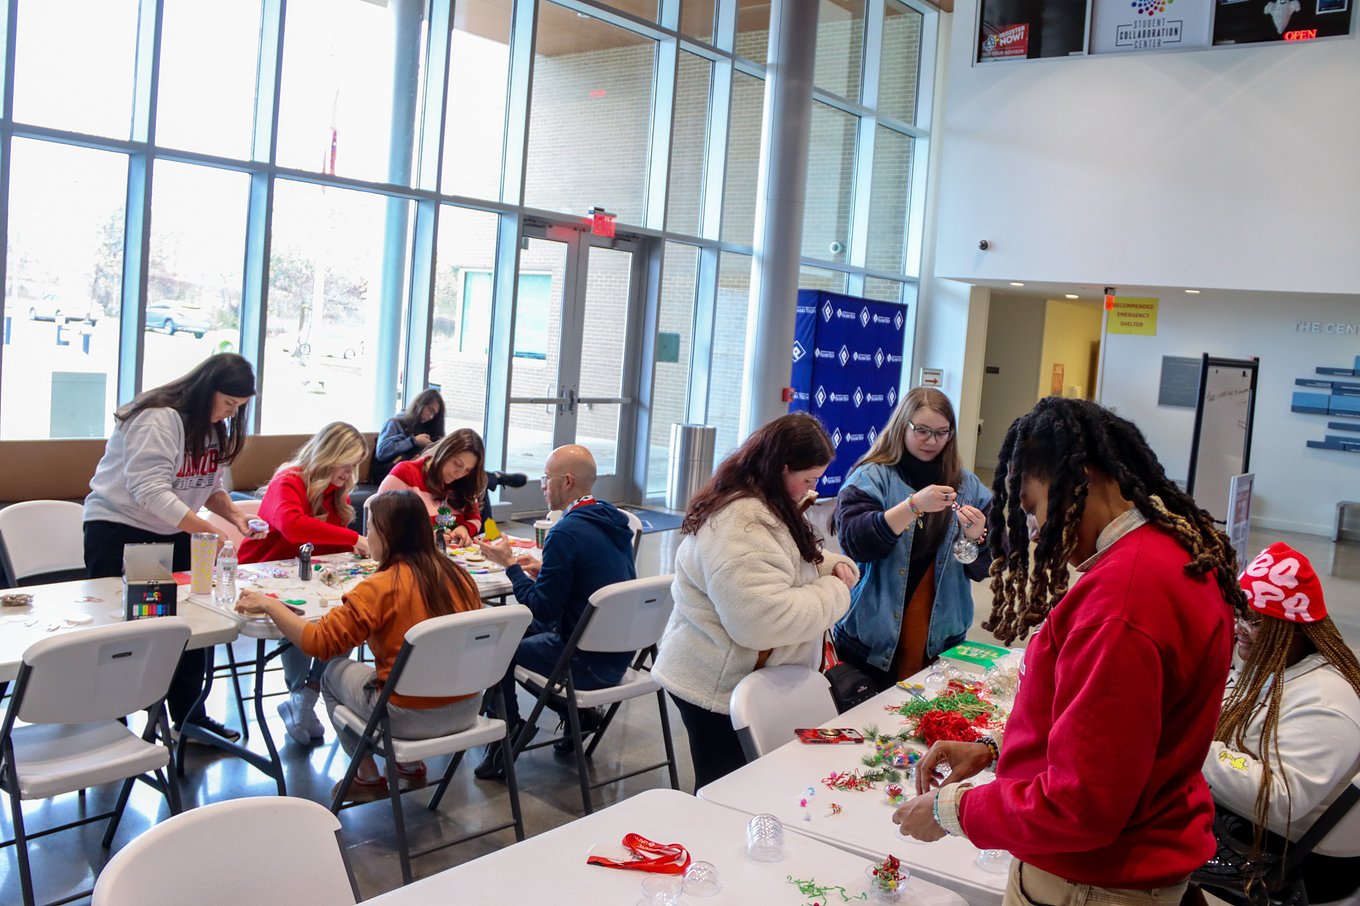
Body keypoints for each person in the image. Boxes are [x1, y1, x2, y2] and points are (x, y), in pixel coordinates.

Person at [895, 397, 1242, 906]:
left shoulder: (1122, 600)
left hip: (1094, 880)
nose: (1035, 530)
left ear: (1080, 478)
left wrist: (954, 810)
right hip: (1138, 856)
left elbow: (1083, 804)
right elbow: (1119, 736)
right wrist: (998, 750)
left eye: (1035, 506)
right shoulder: (1177, 554)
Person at [651, 412, 859, 789]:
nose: (812, 488)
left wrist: (831, 564)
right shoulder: (740, 522)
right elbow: (761, 622)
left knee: (745, 790)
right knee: (727, 795)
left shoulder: (764, 502)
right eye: (808, 479)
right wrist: (835, 591)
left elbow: (783, 561)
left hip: (735, 678)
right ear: (781, 469)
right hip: (717, 687)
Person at [235, 491, 483, 802]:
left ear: (386, 535)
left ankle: (366, 776)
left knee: (331, 673)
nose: (366, 537)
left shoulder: (380, 587)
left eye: (370, 530)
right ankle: (407, 765)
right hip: (467, 707)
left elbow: (319, 643)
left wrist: (271, 605)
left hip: (408, 717)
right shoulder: (459, 577)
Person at [83, 353, 264, 743]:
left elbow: (207, 487)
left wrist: (234, 516)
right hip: (119, 529)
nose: (230, 414)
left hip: (173, 529)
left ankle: (189, 717)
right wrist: (205, 532)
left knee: (192, 621)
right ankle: (112, 722)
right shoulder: (159, 417)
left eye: (239, 408)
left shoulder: (211, 427)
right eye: (229, 404)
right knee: (124, 629)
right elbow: (149, 490)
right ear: (206, 389)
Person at [1192, 542, 1360, 905]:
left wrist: (1192, 743)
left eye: (1253, 620)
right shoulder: (1278, 669)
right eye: (1238, 613)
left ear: (1294, 629)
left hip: (1304, 864)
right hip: (1269, 832)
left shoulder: (1329, 704)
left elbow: (1279, 801)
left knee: (1143, 831)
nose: (1239, 628)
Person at [472, 444, 636, 781]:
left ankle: (509, 734)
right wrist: (545, 570)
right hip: (619, 651)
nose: (542, 485)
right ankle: (581, 714)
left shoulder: (566, 532)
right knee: (512, 632)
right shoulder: (612, 519)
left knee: (498, 648)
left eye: (546, 478)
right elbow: (590, 576)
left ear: (567, 481)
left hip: (585, 660)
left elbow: (542, 612)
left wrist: (510, 566)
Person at [834, 387, 991, 689]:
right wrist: (912, 506)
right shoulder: (871, 477)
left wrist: (976, 537)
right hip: (869, 645)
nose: (932, 441)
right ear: (901, 425)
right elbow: (856, 543)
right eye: (922, 431)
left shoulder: (970, 486)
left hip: (941, 643)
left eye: (942, 432)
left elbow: (986, 567)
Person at [239, 421, 372, 747]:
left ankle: (305, 696)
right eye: (347, 462)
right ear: (329, 454)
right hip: (263, 574)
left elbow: (327, 545)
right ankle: (304, 695)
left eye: (355, 465)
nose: (350, 472)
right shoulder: (288, 480)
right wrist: (354, 538)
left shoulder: (335, 488)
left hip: (310, 576)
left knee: (350, 614)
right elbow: (295, 527)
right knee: (299, 619)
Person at [376, 428, 486, 543]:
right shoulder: (405, 473)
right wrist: (424, 537)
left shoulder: (464, 483)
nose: (459, 474)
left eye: (468, 470)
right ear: (444, 452)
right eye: (457, 464)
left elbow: (475, 519)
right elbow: (382, 524)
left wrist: (465, 528)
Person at [369, 389, 445, 485]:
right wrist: (413, 441)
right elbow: (382, 452)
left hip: (410, 477)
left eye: (434, 415)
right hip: (388, 476)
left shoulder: (426, 430)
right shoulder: (395, 423)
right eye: (430, 410)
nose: (430, 417)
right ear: (419, 403)